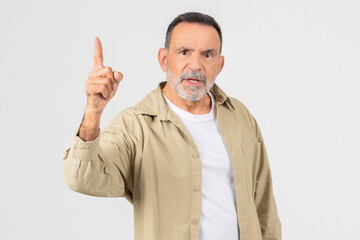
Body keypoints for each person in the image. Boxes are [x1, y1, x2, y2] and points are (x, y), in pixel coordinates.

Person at [62, 12, 281, 240]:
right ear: (164, 59)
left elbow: (263, 206)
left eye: (207, 54)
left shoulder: (241, 117)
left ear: (220, 64)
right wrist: (93, 112)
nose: (195, 65)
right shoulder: (136, 125)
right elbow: (81, 178)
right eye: (184, 52)